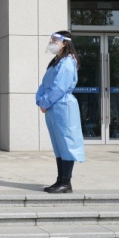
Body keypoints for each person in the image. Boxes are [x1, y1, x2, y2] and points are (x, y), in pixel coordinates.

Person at [36, 31, 85, 194]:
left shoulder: (68, 61)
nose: (52, 43)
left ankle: (66, 182)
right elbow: (45, 84)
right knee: (58, 145)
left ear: (65, 43)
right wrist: (40, 100)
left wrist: (45, 102)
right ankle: (60, 180)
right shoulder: (56, 62)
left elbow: (60, 87)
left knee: (66, 143)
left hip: (63, 106)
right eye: (51, 40)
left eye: (55, 41)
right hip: (53, 107)